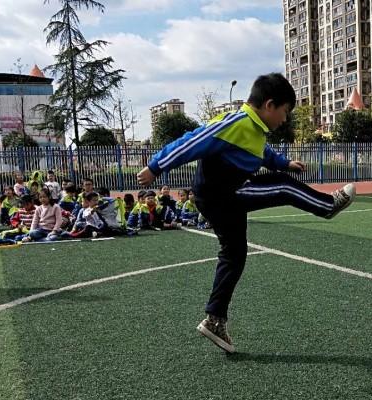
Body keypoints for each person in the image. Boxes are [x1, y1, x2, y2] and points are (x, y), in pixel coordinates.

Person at [137, 73, 355, 353]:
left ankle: (214, 320)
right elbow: (191, 142)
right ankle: (327, 205)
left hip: (225, 195)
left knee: (234, 254)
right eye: (285, 112)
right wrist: (156, 166)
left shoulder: (253, 130)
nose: (285, 120)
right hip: (223, 194)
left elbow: (260, 153)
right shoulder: (235, 123)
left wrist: (285, 162)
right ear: (269, 104)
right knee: (283, 188)